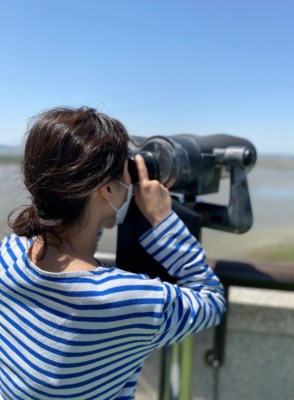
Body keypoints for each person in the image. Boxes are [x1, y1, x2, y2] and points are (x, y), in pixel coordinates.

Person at [0, 107, 226, 400]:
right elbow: (211, 300)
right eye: (125, 172)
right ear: (106, 188)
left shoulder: (8, 255)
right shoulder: (132, 300)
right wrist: (163, 221)